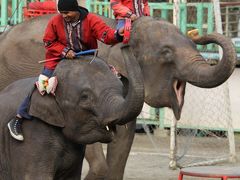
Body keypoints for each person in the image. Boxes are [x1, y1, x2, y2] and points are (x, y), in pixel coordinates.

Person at [7, 0, 124, 141]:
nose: (64, 16)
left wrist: (117, 34)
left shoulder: (91, 20)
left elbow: (105, 34)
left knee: (106, 80)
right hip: (57, 60)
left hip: (86, 59)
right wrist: (64, 51)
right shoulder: (56, 21)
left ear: (76, 10)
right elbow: (48, 42)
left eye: (67, 12)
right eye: (62, 13)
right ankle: (18, 118)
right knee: (43, 85)